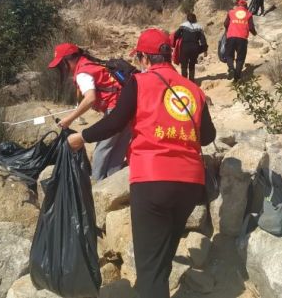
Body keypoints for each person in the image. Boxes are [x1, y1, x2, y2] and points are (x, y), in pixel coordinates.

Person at [66, 29, 216, 298]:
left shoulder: (139, 82)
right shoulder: (194, 89)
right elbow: (208, 137)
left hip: (152, 181)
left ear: (144, 58)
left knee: (149, 270)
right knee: (162, 259)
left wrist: (82, 137)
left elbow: (116, 121)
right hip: (190, 185)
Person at [48, 43, 130, 181]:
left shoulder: (83, 73)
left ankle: (97, 186)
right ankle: (112, 185)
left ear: (68, 60)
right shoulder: (90, 64)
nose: (61, 68)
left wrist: (69, 119)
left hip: (115, 108)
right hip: (128, 105)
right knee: (117, 149)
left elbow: (90, 98)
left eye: (61, 64)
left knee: (102, 150)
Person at [224, 0, 257, 81]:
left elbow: (225, 24)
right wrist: (254, 33)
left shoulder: (231, 12)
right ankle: (237, 77)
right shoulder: (249, 14)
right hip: (242, 38)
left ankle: (231, 68)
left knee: (229, 55)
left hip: (231, 36)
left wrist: (228, 29)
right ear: (246, 6)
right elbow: (251, 27)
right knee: (240, 58)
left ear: (238, 6)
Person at [173, 13, 208, 82]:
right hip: (195, 48)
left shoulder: (183, 26)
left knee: (184, 65)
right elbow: (203, 40)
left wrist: (177, 41)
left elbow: (176, 35)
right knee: (192, 64)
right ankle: (191, 80)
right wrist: (205, 50)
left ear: (187, 19)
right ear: (195, 19)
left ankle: (184, 81)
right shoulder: (199, 27)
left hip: (185, 47)